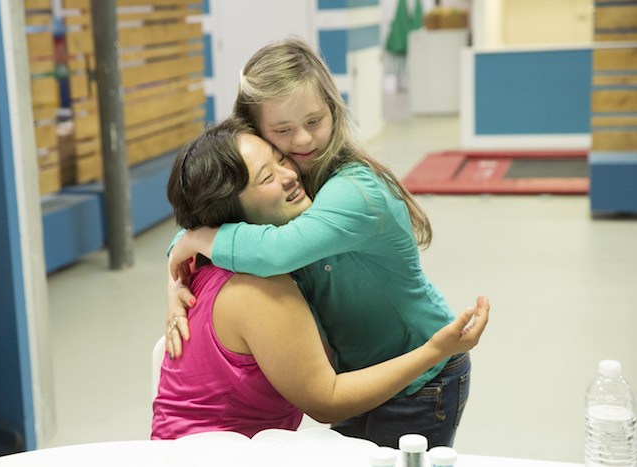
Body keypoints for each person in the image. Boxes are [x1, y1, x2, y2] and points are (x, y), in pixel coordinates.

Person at [165, 37, 483, 448]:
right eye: (282, 131)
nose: (302, 141)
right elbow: (211, 221)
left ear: (333, 109)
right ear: (255, 130)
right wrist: (175, 282)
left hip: (422, 374)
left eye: (315, 121)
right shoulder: (285, 182)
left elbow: (276, 249)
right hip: (357, 376)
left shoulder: (354, 189)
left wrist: (193, 239)